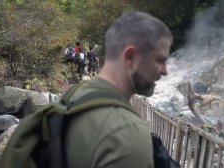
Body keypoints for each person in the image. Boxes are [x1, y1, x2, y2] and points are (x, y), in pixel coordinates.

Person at [65, 11, 173, 168]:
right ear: (131, 57)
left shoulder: (74, 94)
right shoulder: (127, 132)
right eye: (160, 60)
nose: (165, 71)